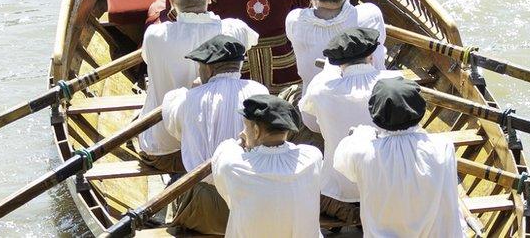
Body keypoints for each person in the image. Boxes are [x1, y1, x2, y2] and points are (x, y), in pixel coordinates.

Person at [135, 0, 258, 173]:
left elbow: (147, 59)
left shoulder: (155, 35)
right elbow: (252, 40)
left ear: (171, 0)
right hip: (220, 150)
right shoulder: (234, 29)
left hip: (164, 151)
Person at [334, 78, 468, 237]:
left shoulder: (360, 151)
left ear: (376, 115)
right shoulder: (443, 146)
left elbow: (342, 166)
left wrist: (363, 134)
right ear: (420, 111)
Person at [162, 35, 269, 235]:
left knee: (176, 178)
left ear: (209, 68)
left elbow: (175, 130)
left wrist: (192, 92)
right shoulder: (259, 91)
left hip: (205, 209)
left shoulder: (188, 98)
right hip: (252, 203)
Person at [298, 28, 403, 224]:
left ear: (337, 63)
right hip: (388, 191)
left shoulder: (321, 89)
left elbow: (308, 119)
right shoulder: (395, 82)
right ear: (371, 56)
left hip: (336, 193)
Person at [211, 95, 323, 238]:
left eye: (246, 127)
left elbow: (224, 150)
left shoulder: (233, 166)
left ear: (256, 131)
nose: (242, 132)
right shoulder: (313, 157)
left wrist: (243, 142)